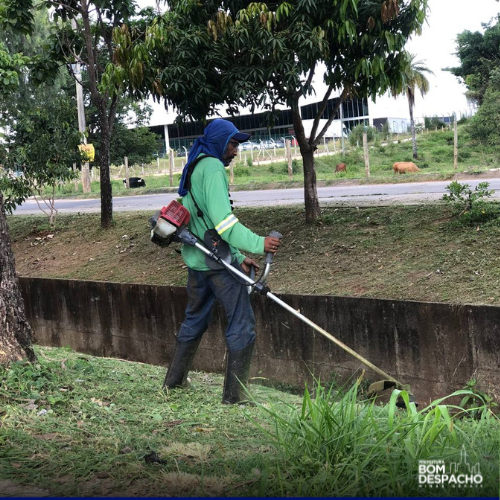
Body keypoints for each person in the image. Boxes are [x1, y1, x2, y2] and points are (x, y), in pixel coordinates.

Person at [163, 119, 282, 404]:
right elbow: (224, 223)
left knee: (194, 320)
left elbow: (204, 221)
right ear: (219, 142)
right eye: (232, 144)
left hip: (198, 261)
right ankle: (235, 397)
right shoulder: (214, 167)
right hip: (217, 266)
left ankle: (174, 382)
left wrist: (239, 257)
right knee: (242, 324)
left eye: (237, 145)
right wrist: (260, 243)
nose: (235, 151)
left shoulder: (195, 166)